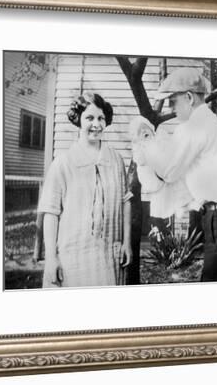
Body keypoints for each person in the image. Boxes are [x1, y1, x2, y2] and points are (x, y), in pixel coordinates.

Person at [135, 68, 217, 281]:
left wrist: (145, 143)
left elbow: (169, 171)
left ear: (189, 98)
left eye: (173, 102)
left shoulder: (194, 126)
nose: (172, 109)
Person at [38, 92, 132, 288]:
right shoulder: (63, 163)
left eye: (101, 118)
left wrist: (127, 242)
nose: (96, 124)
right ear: (78, 121)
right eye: (89, 118)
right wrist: (51, 258)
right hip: (73, 256)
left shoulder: (116, 160)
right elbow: (51, 213)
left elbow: (125, 203)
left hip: (109, 255)